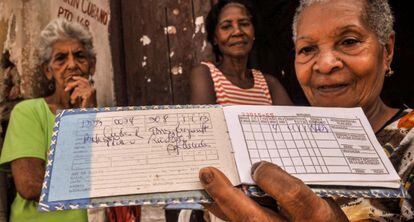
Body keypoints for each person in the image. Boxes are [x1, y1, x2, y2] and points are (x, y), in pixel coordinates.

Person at [199, 0, 414, 221]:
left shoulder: (409, 143)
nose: (325, 64)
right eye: (308, 49)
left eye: (349, 41)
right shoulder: (287, 151)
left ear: (387, 50)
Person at [0, 18, 96, 221]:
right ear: (48, 71)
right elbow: (30, 186)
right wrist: (93, 183)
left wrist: (88, 114)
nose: (72, 65)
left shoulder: (106, 120)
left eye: (80, 56)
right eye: (61, 59)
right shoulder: (28, 113)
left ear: (92, 66)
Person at [190, 0, 292, 106]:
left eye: (244, 24)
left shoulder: (269, 84)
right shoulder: (205, 74)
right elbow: (206, 120)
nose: (238, 32)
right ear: (215, 38)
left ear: (254, 33)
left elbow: (292, 120)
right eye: (226, 27)